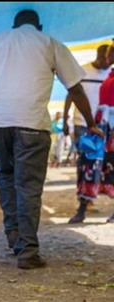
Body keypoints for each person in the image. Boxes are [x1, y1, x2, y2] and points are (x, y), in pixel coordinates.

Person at [0, 9, 102, 269]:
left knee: (6, 178)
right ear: (38, 26)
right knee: (28, 187)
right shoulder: (50, 43)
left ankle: (14, 238)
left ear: (14, 26)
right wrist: (91, 123)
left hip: (0, 124)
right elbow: (74, 87)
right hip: (32, 125)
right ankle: (27, 251)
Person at [68, 44, 113, 223]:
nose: (107, 57)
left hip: (109, 131)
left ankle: (82, 210)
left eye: (110, 53)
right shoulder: (109, 76)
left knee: (108, 167)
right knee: (88, 165)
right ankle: (82, 208)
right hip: (99, 128)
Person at [63, 44, 110, 149]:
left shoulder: (111, 74)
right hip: (81, 123)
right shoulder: (82, 71)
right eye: (104, 58)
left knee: (101, 161)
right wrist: (65, 120)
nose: (107, 62)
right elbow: (71, 95)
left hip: (104, 123)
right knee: (85, 158)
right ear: (100, 56)